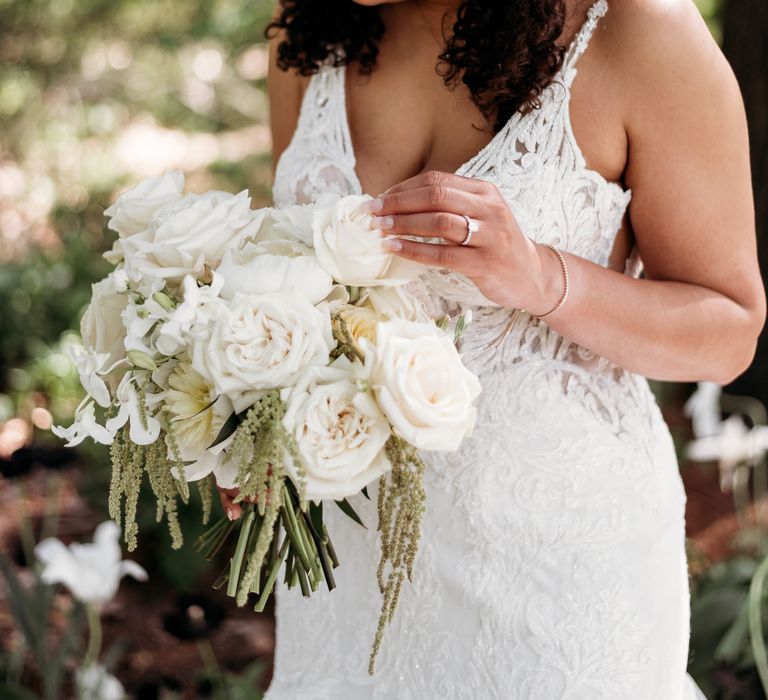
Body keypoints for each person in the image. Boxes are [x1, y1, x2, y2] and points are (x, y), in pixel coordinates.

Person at [220, 1, 766, 697]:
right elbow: (301, 273)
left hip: (553, 568)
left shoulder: (639, 29)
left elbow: (729, 331)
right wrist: (255, 413)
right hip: (352, 555)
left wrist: (542, 277)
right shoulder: (312, 23)